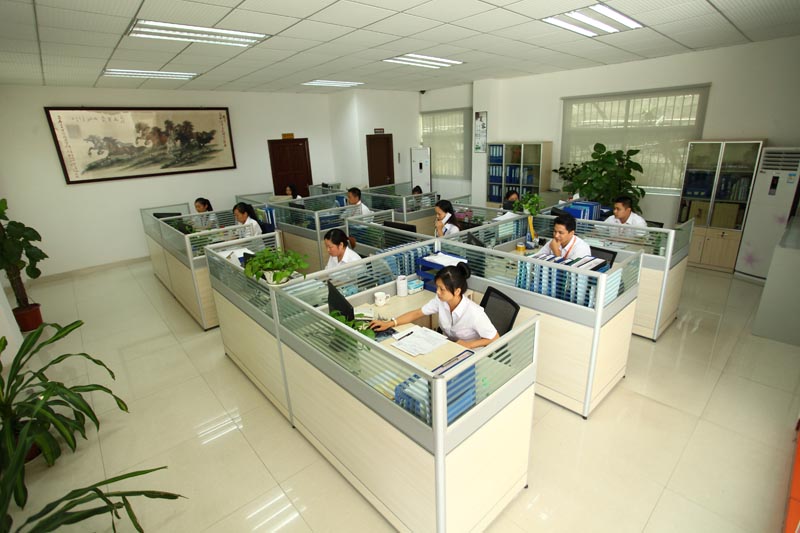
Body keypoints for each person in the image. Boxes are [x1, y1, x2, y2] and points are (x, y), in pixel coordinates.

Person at [369, 263, 498, 349]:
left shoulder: (474, 313)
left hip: (471, 354)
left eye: (442, 289)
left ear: (457, 291)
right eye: (437, 287)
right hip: (449, 347)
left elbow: (495, 338)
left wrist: (469, 344)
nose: (437, 292)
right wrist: (390, 323)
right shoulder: (440, 301)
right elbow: (417, 313)